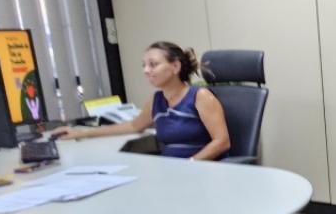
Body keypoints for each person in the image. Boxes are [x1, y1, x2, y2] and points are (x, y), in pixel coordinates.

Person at [51, 41, 231, 161]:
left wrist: (190, 164)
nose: (146, 70)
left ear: (175, 66)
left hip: (200, 170)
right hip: (171, 170)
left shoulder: (200, 96)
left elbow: (222, 141)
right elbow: (133, 126)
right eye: (144, 65)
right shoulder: (156, 100)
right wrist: (80, 133)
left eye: (153, 64)